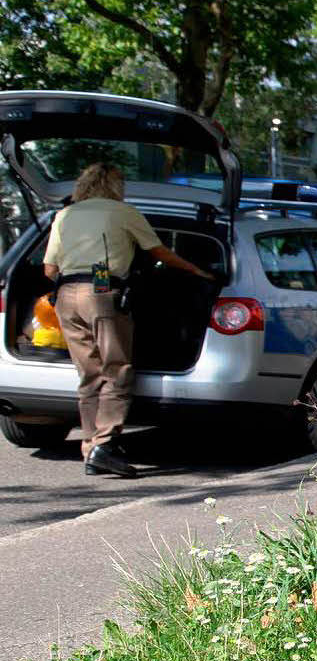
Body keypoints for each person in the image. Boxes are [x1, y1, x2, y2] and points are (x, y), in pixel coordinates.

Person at [42, 163, 213, 478]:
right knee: (116, 369)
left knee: (88, 374)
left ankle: (90, 445)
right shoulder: (123, 212)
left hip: (66, 295)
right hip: (102, 292)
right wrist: (197, 271)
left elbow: (49, 270)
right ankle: (104, 445)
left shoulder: (64, 216)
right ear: (115, 186)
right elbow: (160, 253)